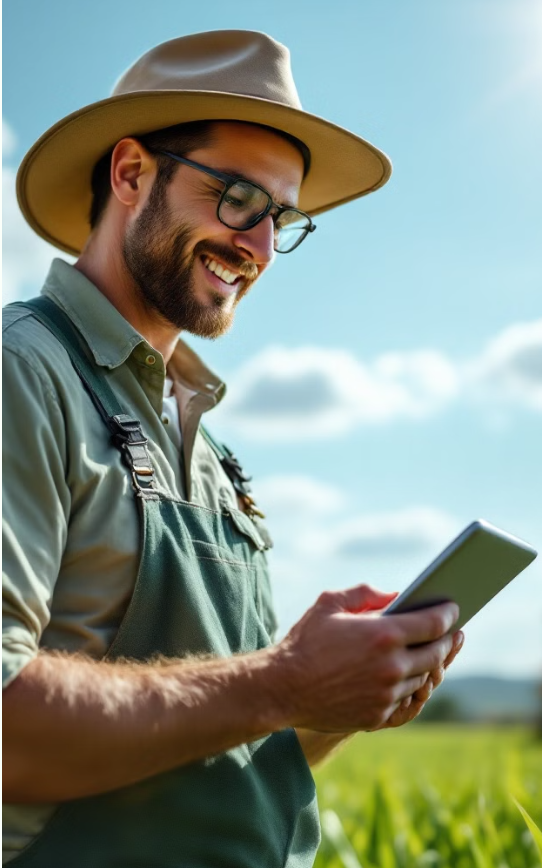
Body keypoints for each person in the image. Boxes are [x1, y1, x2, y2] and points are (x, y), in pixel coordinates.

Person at [2, 30, 464, 867]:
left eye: (280, 218)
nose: (258, 247)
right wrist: (280, 678)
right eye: (238, 198)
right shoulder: (22, 371)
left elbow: (215, 738)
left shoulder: (211, 450)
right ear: (132, 173)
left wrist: (332, 700)